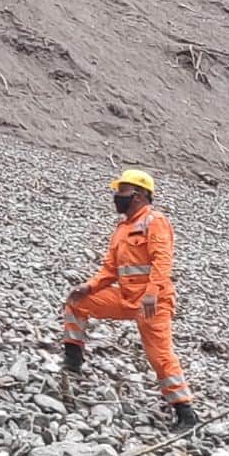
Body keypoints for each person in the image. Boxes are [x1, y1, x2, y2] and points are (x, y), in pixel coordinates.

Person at [62, 169, 198, 430]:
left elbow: (162, 261)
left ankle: (185, 411)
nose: (117, 196)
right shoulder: (122, 229)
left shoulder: (154, 221)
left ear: (139, 195)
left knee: (160, 356)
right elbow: (110, 270)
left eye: (122, 191)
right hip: (125, 298)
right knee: (76, 303)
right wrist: (88, 287)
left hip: (153, 303)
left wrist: (151, 294)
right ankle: (73, 358)